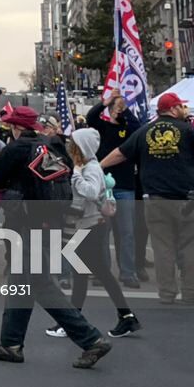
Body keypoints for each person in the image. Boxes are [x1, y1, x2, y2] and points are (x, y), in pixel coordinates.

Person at [0, 106, 112, 369]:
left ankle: (91, 339)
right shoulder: (54, 145)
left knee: (40, 283)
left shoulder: (17, 148)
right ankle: (10, 344)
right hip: (51, 220)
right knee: (21, 283)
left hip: (25, 221)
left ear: (16, 127)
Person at [100, 91, 194, 305]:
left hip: (156, 200)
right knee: (193, 245)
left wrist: (99, 167)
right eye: (182, 106)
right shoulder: (189, 130)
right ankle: (192, 291)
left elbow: (120, 153)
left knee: (163, 247)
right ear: (173, 109)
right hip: (188, 199)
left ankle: (167, 293)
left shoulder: (145, 131)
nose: (184, 109)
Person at [44, 128, 140, 340]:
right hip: (88, 225)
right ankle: (124, 316)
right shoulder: (88, 166)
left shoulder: (90, 168)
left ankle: (76, 321)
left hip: (90, 226)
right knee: (92, 274)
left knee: (88, 273)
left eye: (74, 143)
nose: (70, 146)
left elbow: (89, 191)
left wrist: (76, 175)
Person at [87, 92, 141, 288]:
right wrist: (106, 102)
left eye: (121, 109)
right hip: (102, 187)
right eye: (116, 109)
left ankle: (128, 273)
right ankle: (102, 272)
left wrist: (125, 110)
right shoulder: (101, 127)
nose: (118, 112)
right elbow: (91, 117)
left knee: (127, 232)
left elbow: (138, 128)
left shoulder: (128, 130)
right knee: (102, 232)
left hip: (125, 185)